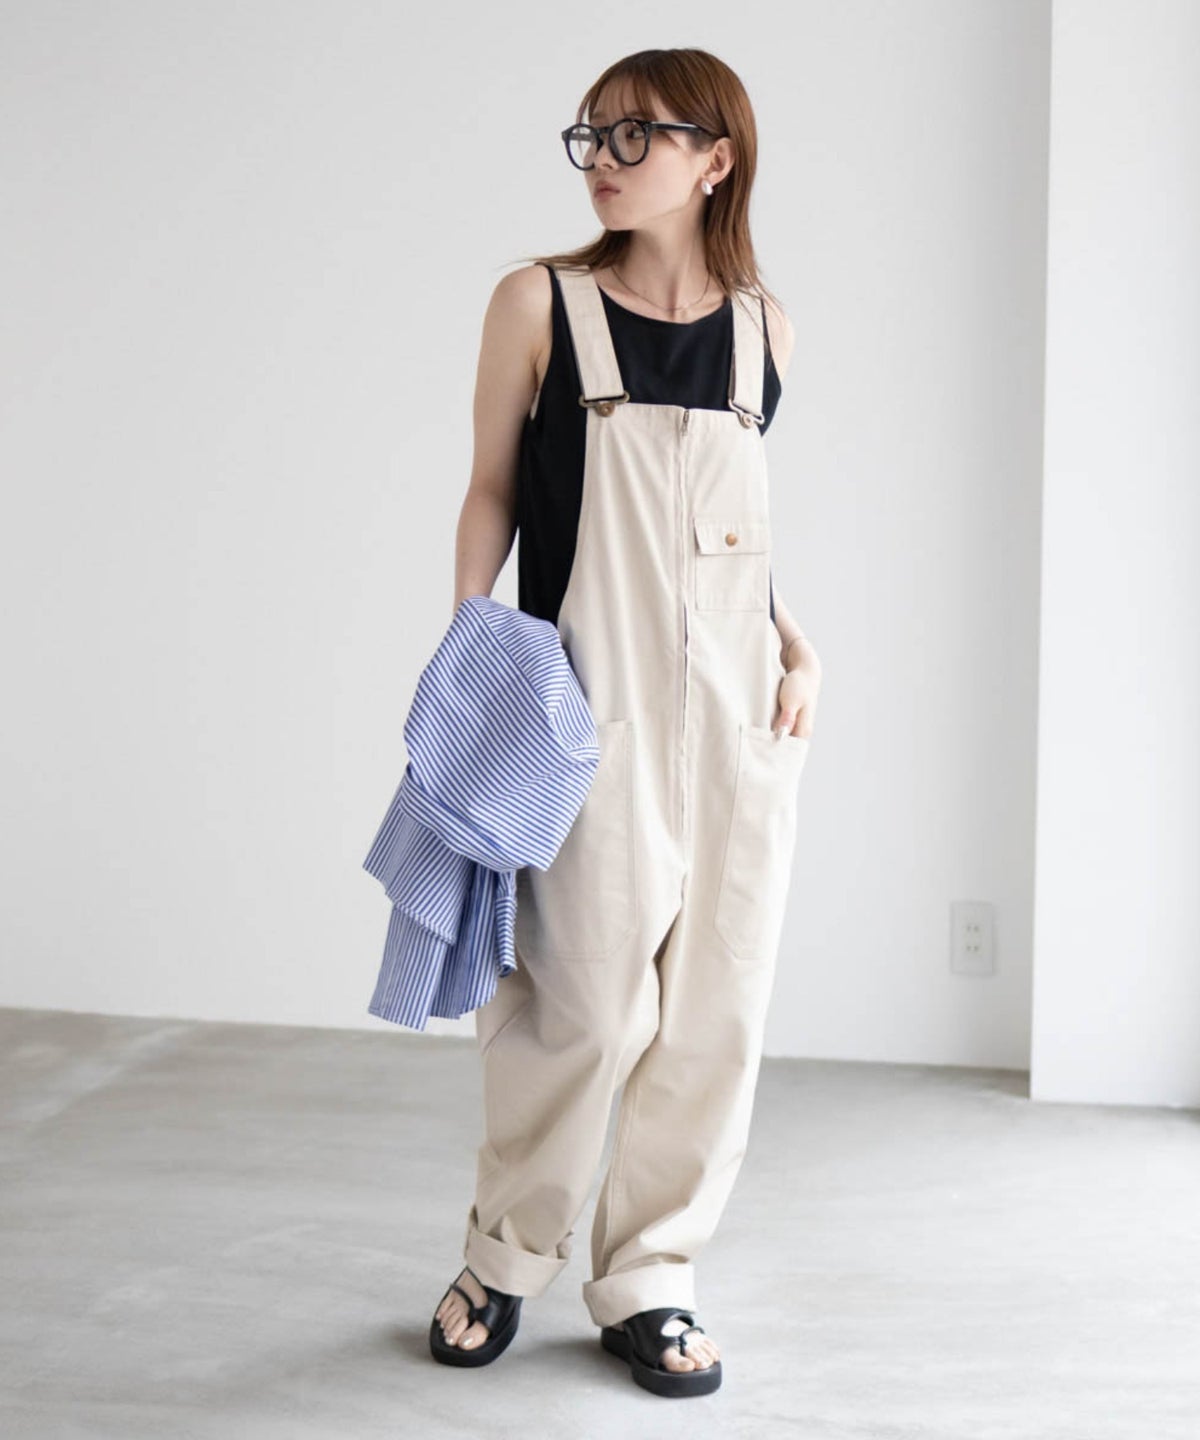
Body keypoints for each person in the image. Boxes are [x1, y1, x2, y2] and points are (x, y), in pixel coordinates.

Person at [429, 47, 823, 1398]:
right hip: (582, 704)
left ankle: (652, 1277)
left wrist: (798, 643)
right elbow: (492, 487)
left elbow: (734, 537)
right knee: (578, 1006)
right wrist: (470, 635)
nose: (602, 156)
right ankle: (504, 1255)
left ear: (717, 158)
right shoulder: (539, 304)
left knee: (715, 1010)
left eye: (636, 133)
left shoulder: (765, 329)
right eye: (591, 134)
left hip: (742, 711)